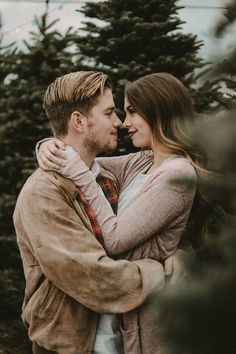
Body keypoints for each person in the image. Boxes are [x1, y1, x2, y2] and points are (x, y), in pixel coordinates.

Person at [13, 71, 184, 354]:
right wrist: (158, 272)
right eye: (109, 113)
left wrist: (179, 251)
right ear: (78, 121)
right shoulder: (42, 193)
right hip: (71, 346)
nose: (118, 122)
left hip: (122, 341)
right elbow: (96, 279)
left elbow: (170, 178)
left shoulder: (108, 175)